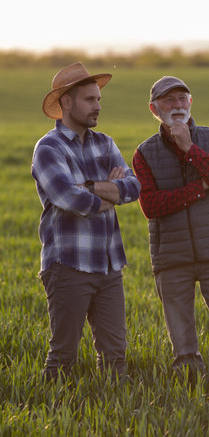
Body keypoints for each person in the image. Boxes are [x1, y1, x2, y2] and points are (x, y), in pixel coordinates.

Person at [133, 76, 209, 379]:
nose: (177, 105)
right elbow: (150, 206)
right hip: (172, 258)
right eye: (168, 100)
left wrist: (190, 148)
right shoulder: (144, 153)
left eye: (182, 98)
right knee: (183, 345)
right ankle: (191, 397)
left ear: (191, 103)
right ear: (154, 109)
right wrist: (201, 185)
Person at [31, 61, 140, 381]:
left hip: (109, 265)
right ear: (66, 102)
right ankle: (49, 416)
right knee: (63, 356)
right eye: (90, 100)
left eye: (99, 99)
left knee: (116, 358)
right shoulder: (48, 148)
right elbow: (69, 198)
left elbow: (133, 188)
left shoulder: (104, 143)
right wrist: (109, 191)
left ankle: (115, 418)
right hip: (68, 264)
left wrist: (90, 187)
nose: (98, 106)